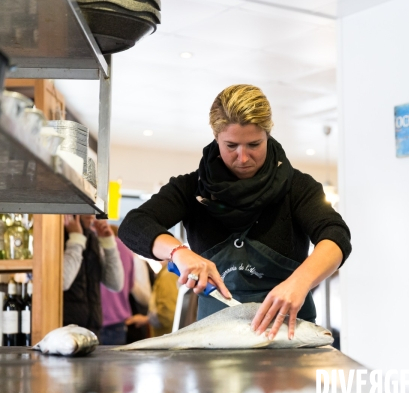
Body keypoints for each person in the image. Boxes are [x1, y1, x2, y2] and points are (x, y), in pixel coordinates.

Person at [118, 84, 351, 341]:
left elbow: (336, 235)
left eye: (254, 144)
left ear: (268, 135)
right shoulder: (190, 188)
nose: (243, 158)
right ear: (216, 137)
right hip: (216, 340)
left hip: (290, 338)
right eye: (231, 146)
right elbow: (133, 225)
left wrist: (301, 281)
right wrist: (178, 252)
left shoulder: (297, 187)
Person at [63, 215, 124, 337]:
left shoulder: (92, 238)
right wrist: (75, 240)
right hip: (64, 333)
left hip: (93, 331)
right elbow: (62, 282)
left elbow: (115, 284)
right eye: (86, 208)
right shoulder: (59, 237)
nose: (91, 214)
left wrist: (109, 244)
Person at [98, 225, 137, 345]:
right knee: (116, 362)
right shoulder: (127, 250)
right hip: (118, 322)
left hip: (96, 319)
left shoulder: (95, 243)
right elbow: (130, 285)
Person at [126, 260, 179, 337]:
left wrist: (146, 319)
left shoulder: (167, 275)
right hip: (167, 335)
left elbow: (167, 314)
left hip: (165, 337)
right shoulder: (168, 272)